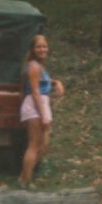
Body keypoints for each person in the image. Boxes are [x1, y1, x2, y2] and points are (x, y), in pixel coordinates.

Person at [19, 34, 64, 188]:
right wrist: (43, 114)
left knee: (43, 145)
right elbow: (35, 91)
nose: (42, 49)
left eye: (44, 46)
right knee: (34, 144)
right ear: (32, 49)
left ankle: (24, 176)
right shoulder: (33, 66)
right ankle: (25, 180)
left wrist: (56, 82)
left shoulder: (40, 66)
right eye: (38, 46)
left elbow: (43, 81)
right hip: (35, 105)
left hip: (43, 104)